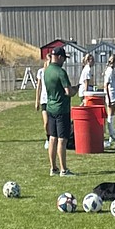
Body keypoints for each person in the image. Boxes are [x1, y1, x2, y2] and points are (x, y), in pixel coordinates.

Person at [43, 46, 76, 177]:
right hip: (61, 109)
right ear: (60, 57)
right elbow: (68, 92)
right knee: (62, 140)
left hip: (50, 107)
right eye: (64, 59)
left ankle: (53, 168)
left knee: (52, 138)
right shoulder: (60, 72)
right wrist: (76, 89)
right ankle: (64, 169)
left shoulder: (47, 71)